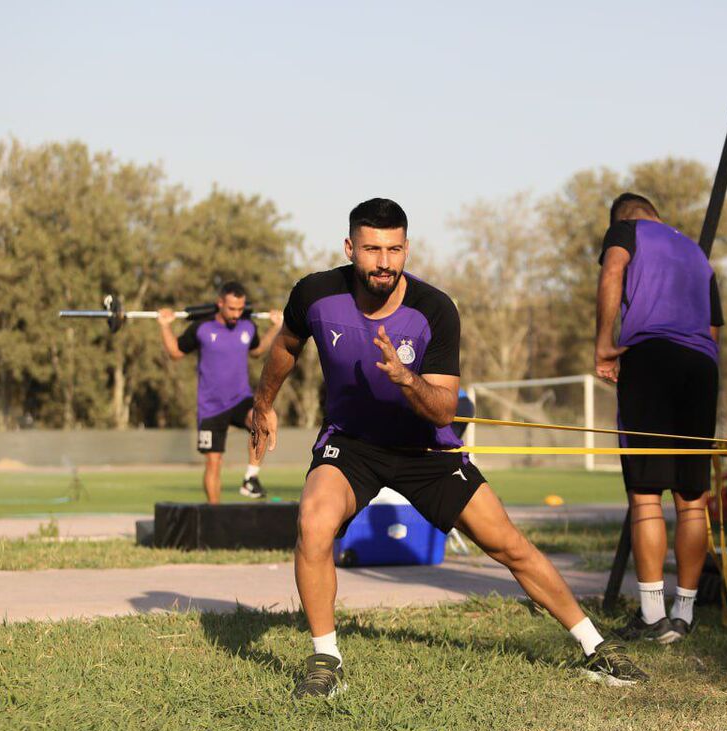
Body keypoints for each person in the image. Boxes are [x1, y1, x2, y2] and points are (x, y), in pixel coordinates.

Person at [251, 198, 647, 698]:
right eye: (372, 249)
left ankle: (595, 647)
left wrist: (404, 378)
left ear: (407, 249)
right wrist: (263, 403)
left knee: (508, 544)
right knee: (313, 522)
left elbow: (442, 411)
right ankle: (326, 659)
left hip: (426, 450)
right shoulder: (315, 293)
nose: (384, 262)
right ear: (350, 248)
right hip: (352, 444)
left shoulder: (434, 309)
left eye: (394, 249)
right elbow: (286, 344)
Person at [595, 192, 723, 643]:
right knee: (692, 497)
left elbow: (612, 271)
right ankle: (684, 614)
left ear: (623, 218)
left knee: (646, 494)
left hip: (651, 359)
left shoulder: (626, 230)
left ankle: (653, 617)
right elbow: (712, 330)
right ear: (658, 214)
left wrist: (603, 344)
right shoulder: (695, 252)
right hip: (702, 366)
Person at [158, 282, 283, 503]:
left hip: (240, 398)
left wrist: (275, 327)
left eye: (240, 308)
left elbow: (256, 351)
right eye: (232, 308)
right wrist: (165, 325)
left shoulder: (248, 326)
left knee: (261, 421)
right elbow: (176, 352)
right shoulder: (201, 328)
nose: (237, 314)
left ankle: (250, 479)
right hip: (211, 406)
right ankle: (213, 515)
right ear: (220, 303)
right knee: (214, 462)